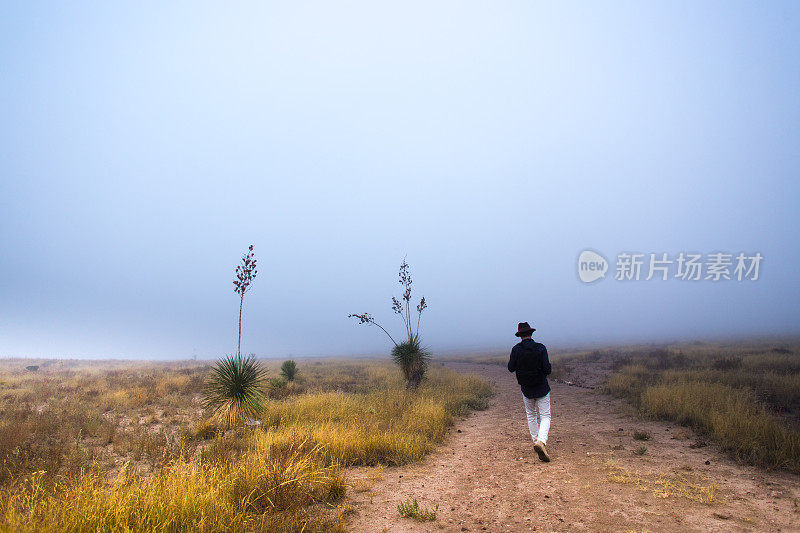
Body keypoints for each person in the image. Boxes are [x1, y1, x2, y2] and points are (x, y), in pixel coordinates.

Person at [507, 322, 552, 462]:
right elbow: (547, 369)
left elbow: (510, 368)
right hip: (542, 387)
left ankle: (536, 442)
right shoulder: (540, 348)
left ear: (520, 335)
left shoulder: (516, 350)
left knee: (531, 415)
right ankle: (541, 441)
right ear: (531, 333)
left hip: (526, 388)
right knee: (545, 416)